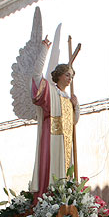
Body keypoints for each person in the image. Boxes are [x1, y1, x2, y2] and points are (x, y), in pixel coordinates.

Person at [29, 36, 80, 197]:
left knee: (66, 172)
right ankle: (47, 198)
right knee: (50, 168)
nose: (70, 78)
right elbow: (36, 76)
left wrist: (75, 105)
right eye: (67, 74)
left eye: (71, 76)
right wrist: (44, 50)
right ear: (58, 75)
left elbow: (74, 121)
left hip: (66, 140)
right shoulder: (50, 91)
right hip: (51, 136)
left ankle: (65, 197)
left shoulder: (67, 97)